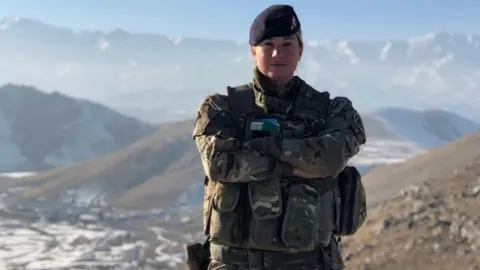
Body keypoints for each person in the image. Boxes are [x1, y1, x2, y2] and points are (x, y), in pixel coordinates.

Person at [190, 4, 367, 270]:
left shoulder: (333, 110)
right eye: (268, 44)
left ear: (300, 50)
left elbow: (330, 160)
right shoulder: (219, 108)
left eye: (287, 44)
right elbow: (220, 163)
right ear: (253, 51)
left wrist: (261, 150)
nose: (277, 53)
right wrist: (295, 162)